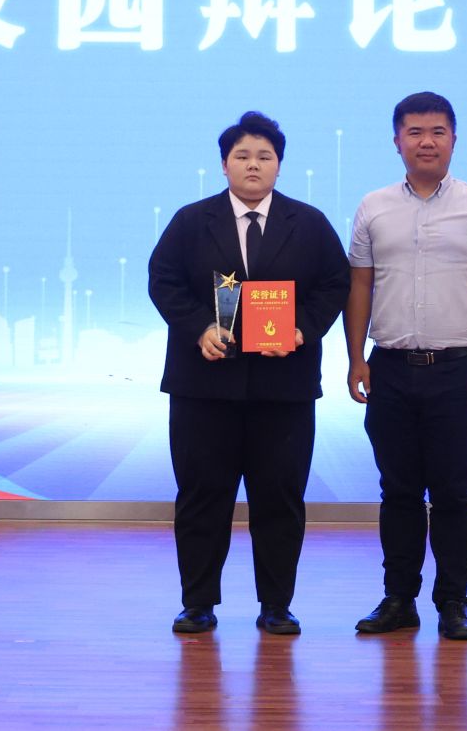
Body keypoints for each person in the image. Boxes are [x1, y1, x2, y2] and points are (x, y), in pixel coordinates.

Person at [149, 111, 350, 638]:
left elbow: (336, 283)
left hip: (283, 389)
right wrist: (199, 327)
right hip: (204, 387)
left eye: (264, 156)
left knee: (279, 498)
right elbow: (163, 280)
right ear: (224, 165)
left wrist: (303, 329)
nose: (253, 165)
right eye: (242, 156)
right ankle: (197, 604)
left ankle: (276, 605)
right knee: (202, 496)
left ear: (279, 165)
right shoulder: (191, 221)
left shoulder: (308, 223)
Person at [343, 91, 467, 642]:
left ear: (454, 140)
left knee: (453, 492)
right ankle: (399, 599)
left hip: (458, 369)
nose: (426, 141)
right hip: (390, 368)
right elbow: (360, 286)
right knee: (397, 491)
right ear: (397, 141)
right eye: (415, 132)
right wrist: (355, 358)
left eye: (437, 131)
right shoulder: (373, 206)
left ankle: (453, 603)